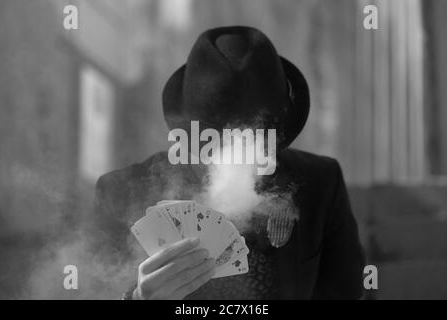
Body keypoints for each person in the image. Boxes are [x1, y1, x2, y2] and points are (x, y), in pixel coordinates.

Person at [91, 26, 365, 300]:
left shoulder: (320, 184)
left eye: (252, 141)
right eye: (222, 144)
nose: (238, 159)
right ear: (193, 136)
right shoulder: (121, 194)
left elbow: (348, 293)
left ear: (276, 135)